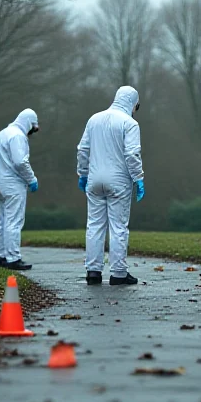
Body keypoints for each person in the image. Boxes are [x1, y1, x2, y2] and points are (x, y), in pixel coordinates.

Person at [76, 86, 145, 286]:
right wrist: (138, 178)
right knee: (118, 227)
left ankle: (93, 271)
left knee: (94, 225)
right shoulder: (130, 123)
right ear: (133, 103)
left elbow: (83, 150)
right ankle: (119, 273)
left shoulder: (94, 119)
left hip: (94, 179)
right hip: (118, 181)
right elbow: (132, 154)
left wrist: (83, 173)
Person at [0, 109, 39, 271]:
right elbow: (20, 162)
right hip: (12, 184)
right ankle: (13, 257)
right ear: (28, 123)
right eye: (32, 128)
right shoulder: (17, 136)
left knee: (3, 220)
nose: (31, 132)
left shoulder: (2, 133)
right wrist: (31, 179)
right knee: (14, 220)